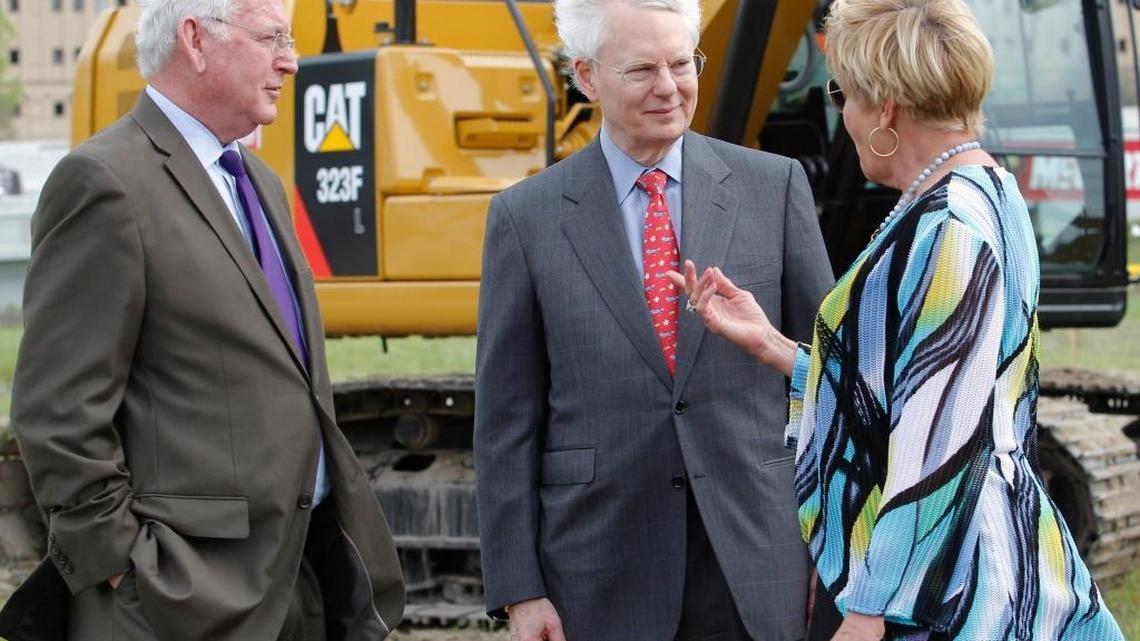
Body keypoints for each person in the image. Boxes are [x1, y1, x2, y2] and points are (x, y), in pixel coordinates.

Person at [670, 1, 1126, 639]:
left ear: (884, 107)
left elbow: (938, 444)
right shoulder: (987, 192)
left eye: (844, 94)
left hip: (947, 594)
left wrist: (869, 611)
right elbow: (922, 390)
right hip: (969, 560)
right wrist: (776, 347)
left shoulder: (946, 232)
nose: (843, 115)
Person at [0, 1, 405, 640]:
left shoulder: (259, 183)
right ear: (195, 39)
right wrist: (121, 565)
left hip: (294, 580)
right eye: (272, 37)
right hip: (176, 599)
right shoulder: (104, 181)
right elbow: (57, 411)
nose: (291, 60)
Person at [472, 0, 835, 639]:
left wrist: (835, 553)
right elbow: (506, 422)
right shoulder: (525, 219)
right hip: (600, 566)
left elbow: (831, 376)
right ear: (586, 76)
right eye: (642, 70)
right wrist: (519, 590)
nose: (669, 88)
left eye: (681, 63)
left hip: (756, 558)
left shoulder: (773, 188)